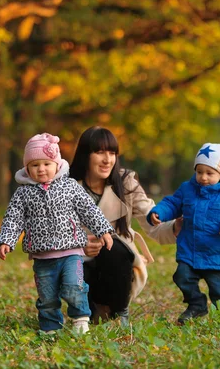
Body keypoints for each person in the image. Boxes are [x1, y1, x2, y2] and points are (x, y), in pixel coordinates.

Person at [0, 133, 115, 334]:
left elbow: (89, 209)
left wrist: (103, 230)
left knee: (74, 286)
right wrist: (6, 240)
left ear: (57, 165)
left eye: (46, 164)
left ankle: (80, 319)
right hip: (42, 256)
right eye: (35, 165)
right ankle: (51, 327)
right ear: (27, 168)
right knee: (47, 295)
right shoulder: (23, 193)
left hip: (72, 252)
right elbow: (13, 219)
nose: (41, 169)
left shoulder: (69, 187)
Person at [69, 126, 180, 326]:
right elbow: (51, 234)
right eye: (99, 152)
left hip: (117, 268)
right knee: (69, 264)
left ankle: (120, 311)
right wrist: (80, 244)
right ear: (86, 155)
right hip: (80, 267)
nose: (107, 159)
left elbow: (152, 221)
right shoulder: (66, 187)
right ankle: (90, 310)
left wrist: (175, 227)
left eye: (112, 153)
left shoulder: (125, 183)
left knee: (114, 247)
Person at [148, 143, 220, 325]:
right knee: (182, 276)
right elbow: (172, 203)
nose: (203, 177)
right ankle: (196, 305)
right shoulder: (187, 189)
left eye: (209, 173)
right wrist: (159, 212)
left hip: (218, 254)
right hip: (191, 250)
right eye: (199, 171)